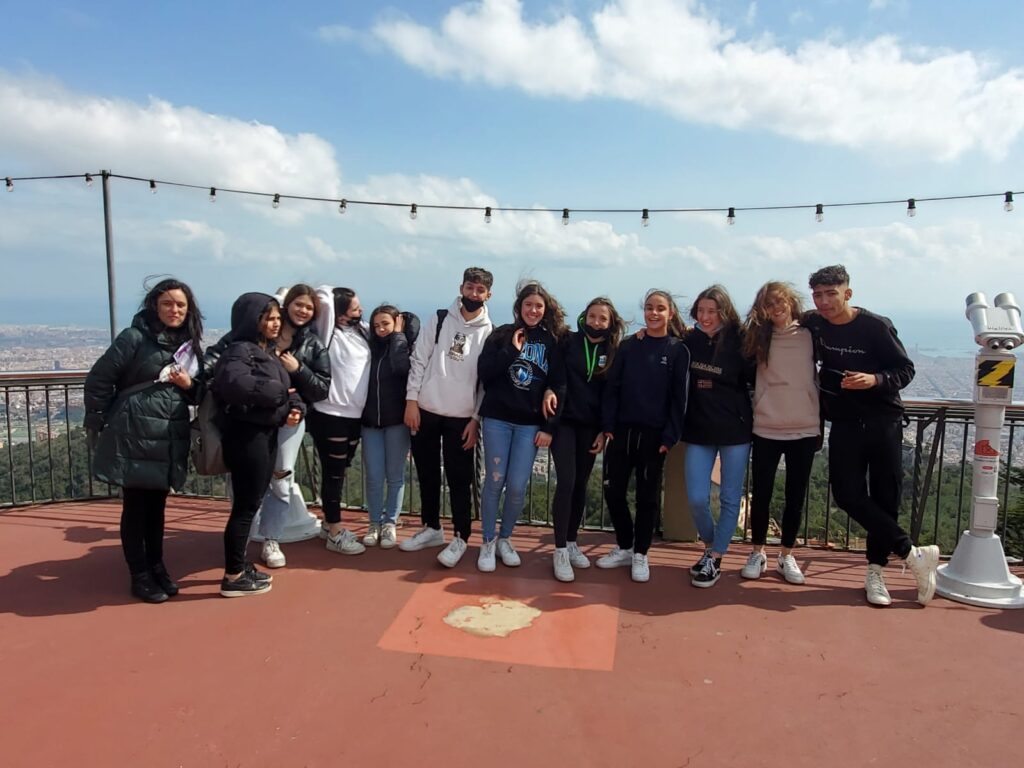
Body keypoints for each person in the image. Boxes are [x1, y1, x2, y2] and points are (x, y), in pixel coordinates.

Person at [802, 264, 939, 606]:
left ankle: (875, 571)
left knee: (885, 498)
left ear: (847, 293)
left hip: (883, 422)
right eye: (817, 295)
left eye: (831, 294)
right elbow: (774, 319)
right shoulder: (814, 322)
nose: (823, 301)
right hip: (845, 423)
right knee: (846, 494)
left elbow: (905, 369)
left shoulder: (876, 326)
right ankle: (912, 552)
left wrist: (874, 380)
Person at [85, 278, 203, 603]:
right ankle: (139, 573)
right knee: (136, 507)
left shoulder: (189, 347)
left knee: (157, 506)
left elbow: (200, 393)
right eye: (167, 304)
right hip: (134, 434)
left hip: (166, 437)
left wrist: (188, 383)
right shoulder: (135, 338)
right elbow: (99, 378)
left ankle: (157, 566)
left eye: (180, 305)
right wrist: (101, 422)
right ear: (154, 306)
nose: (174, 310)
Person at [401, 267, 494, 567]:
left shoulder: (489, 332)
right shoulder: (440, 318)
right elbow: (419, 359)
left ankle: (461, 537)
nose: (473, 294)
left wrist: (475, 419)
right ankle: (431, 527)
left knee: (460, 480)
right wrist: (412, 400)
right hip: (427, 409)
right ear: (461, 288)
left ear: (488, 295)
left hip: (461, 417)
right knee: (426, 473)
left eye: (479, 290)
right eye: (470, 287)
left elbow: (485, 382)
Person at [212, 293, 304, 597]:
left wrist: (295, 407)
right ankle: (233, 576)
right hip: (247, 439)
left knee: (250, 505)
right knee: (245, 507)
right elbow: (235, 385)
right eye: (268, 318)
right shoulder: (238, 351)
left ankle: (239, 565)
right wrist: (277, 394)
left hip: (264, 437)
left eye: (277, 318)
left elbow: (290, 391)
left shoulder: (264, 351)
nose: (275, 323)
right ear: (253, 320)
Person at [597, 289, 689, 583]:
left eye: (660, 308)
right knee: (613, 491)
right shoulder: (628, 345)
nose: (653, 313)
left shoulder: (677, 350)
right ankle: (625, 545)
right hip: (622, 432)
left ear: (670, 313)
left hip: (654, 436)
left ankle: (641, 553)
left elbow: (679, 398)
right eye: (649, 307)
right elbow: (613, 387)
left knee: (647, 498)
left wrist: (669, 437)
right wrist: (609, 425)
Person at [476, 281, 567, 572]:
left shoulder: (551, 342)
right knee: (494, 481)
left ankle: (505, 538)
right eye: (528, 305)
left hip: (529, 424)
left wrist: (549, 426)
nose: (533, 310)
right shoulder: (501, 335)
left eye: (538, 306)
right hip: (497, 419)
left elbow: (559, 384)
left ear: (545, 309)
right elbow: (485, 374)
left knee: (517, 487)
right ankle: (487, 541)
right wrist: (511, 353)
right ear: (519, 307)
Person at [739, 282, 819, 585]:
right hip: (766, 425)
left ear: (791, 302)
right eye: (769, 304)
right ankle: (757, 552)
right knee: (761, 494)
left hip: (804, 425)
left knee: (795, 497)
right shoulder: (757, 338)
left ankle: (786, 555)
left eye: (780, 302)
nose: (776, 308)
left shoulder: (811, 334)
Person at [549, 297, 626, 582]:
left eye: (602, 318)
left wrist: (604, 431)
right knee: (566, 482)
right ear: (584, 317)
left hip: (591, 427)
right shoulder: (567, 341)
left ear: (610, 323)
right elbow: (555, 376)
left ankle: (571, 541)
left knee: (580, 484)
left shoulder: (613, 351)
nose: (596, 322)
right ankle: (559, 549)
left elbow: (610, 394)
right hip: (564, 422)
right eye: (592, 316)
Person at [683, 285, 753, 588]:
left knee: (729, 498)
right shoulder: (689, 340)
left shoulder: (741, 341)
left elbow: (757, 377)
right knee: (697, 498)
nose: (705, 316)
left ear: (724, 312)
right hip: (699, 429)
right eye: (701, 310)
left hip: (735, 430)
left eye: (712, 311)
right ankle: (712, 545)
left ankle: (715, 557)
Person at [256, 284, 330, 568]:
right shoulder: (262, 336)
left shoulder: (313, 344)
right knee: (252, 472)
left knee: (281, 473)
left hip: (291, 418)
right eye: (299, 304)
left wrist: (298, 369)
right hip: (255, 416)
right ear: (286, 304)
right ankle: (250, 526)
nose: (303, 311)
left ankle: (271, 538)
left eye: (309, 307)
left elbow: (321, 388)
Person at [310, 286, 371, 556]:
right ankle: (335, 532)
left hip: (354, 415)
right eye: (355, 308)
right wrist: (336, 295)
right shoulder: (328, 332)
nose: (361, 311)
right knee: (333, 473)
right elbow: (322, 296)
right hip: (330, 412)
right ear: (339, 313)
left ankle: (328, 522)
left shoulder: (361, 331)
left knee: (342, 469)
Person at [361, 304, 420, 548]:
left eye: (385, 324)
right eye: (376, 326)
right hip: (370, 422)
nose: (380, 329)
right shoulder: (369, 349)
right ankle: (374, 522)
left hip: (396, 421)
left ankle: (390, 523)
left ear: (397, 322)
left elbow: (401, 368)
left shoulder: (407, 347)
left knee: (395, 476)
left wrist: (398, 336)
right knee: (374, 476)